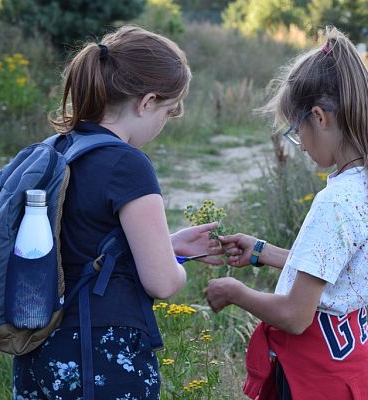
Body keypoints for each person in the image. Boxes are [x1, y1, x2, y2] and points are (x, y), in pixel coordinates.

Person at [13, 26, 223, 399]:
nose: (166, 122)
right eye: (169, 110)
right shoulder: (128, 164)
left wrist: (168, 244)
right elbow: (161, 282)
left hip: (39, 350)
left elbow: (82, 243)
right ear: (147, 102)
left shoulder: (57, 149)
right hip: (102, 355)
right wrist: (173, 266)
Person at [205, 27, 368, 400]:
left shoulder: (335, 202)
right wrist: (263, 252)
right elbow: (335, 266)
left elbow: (296, 316)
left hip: (313, 376)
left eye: (297, 131)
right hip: (352, 363)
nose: (301, 145)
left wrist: (235, 291)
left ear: (320, 117)